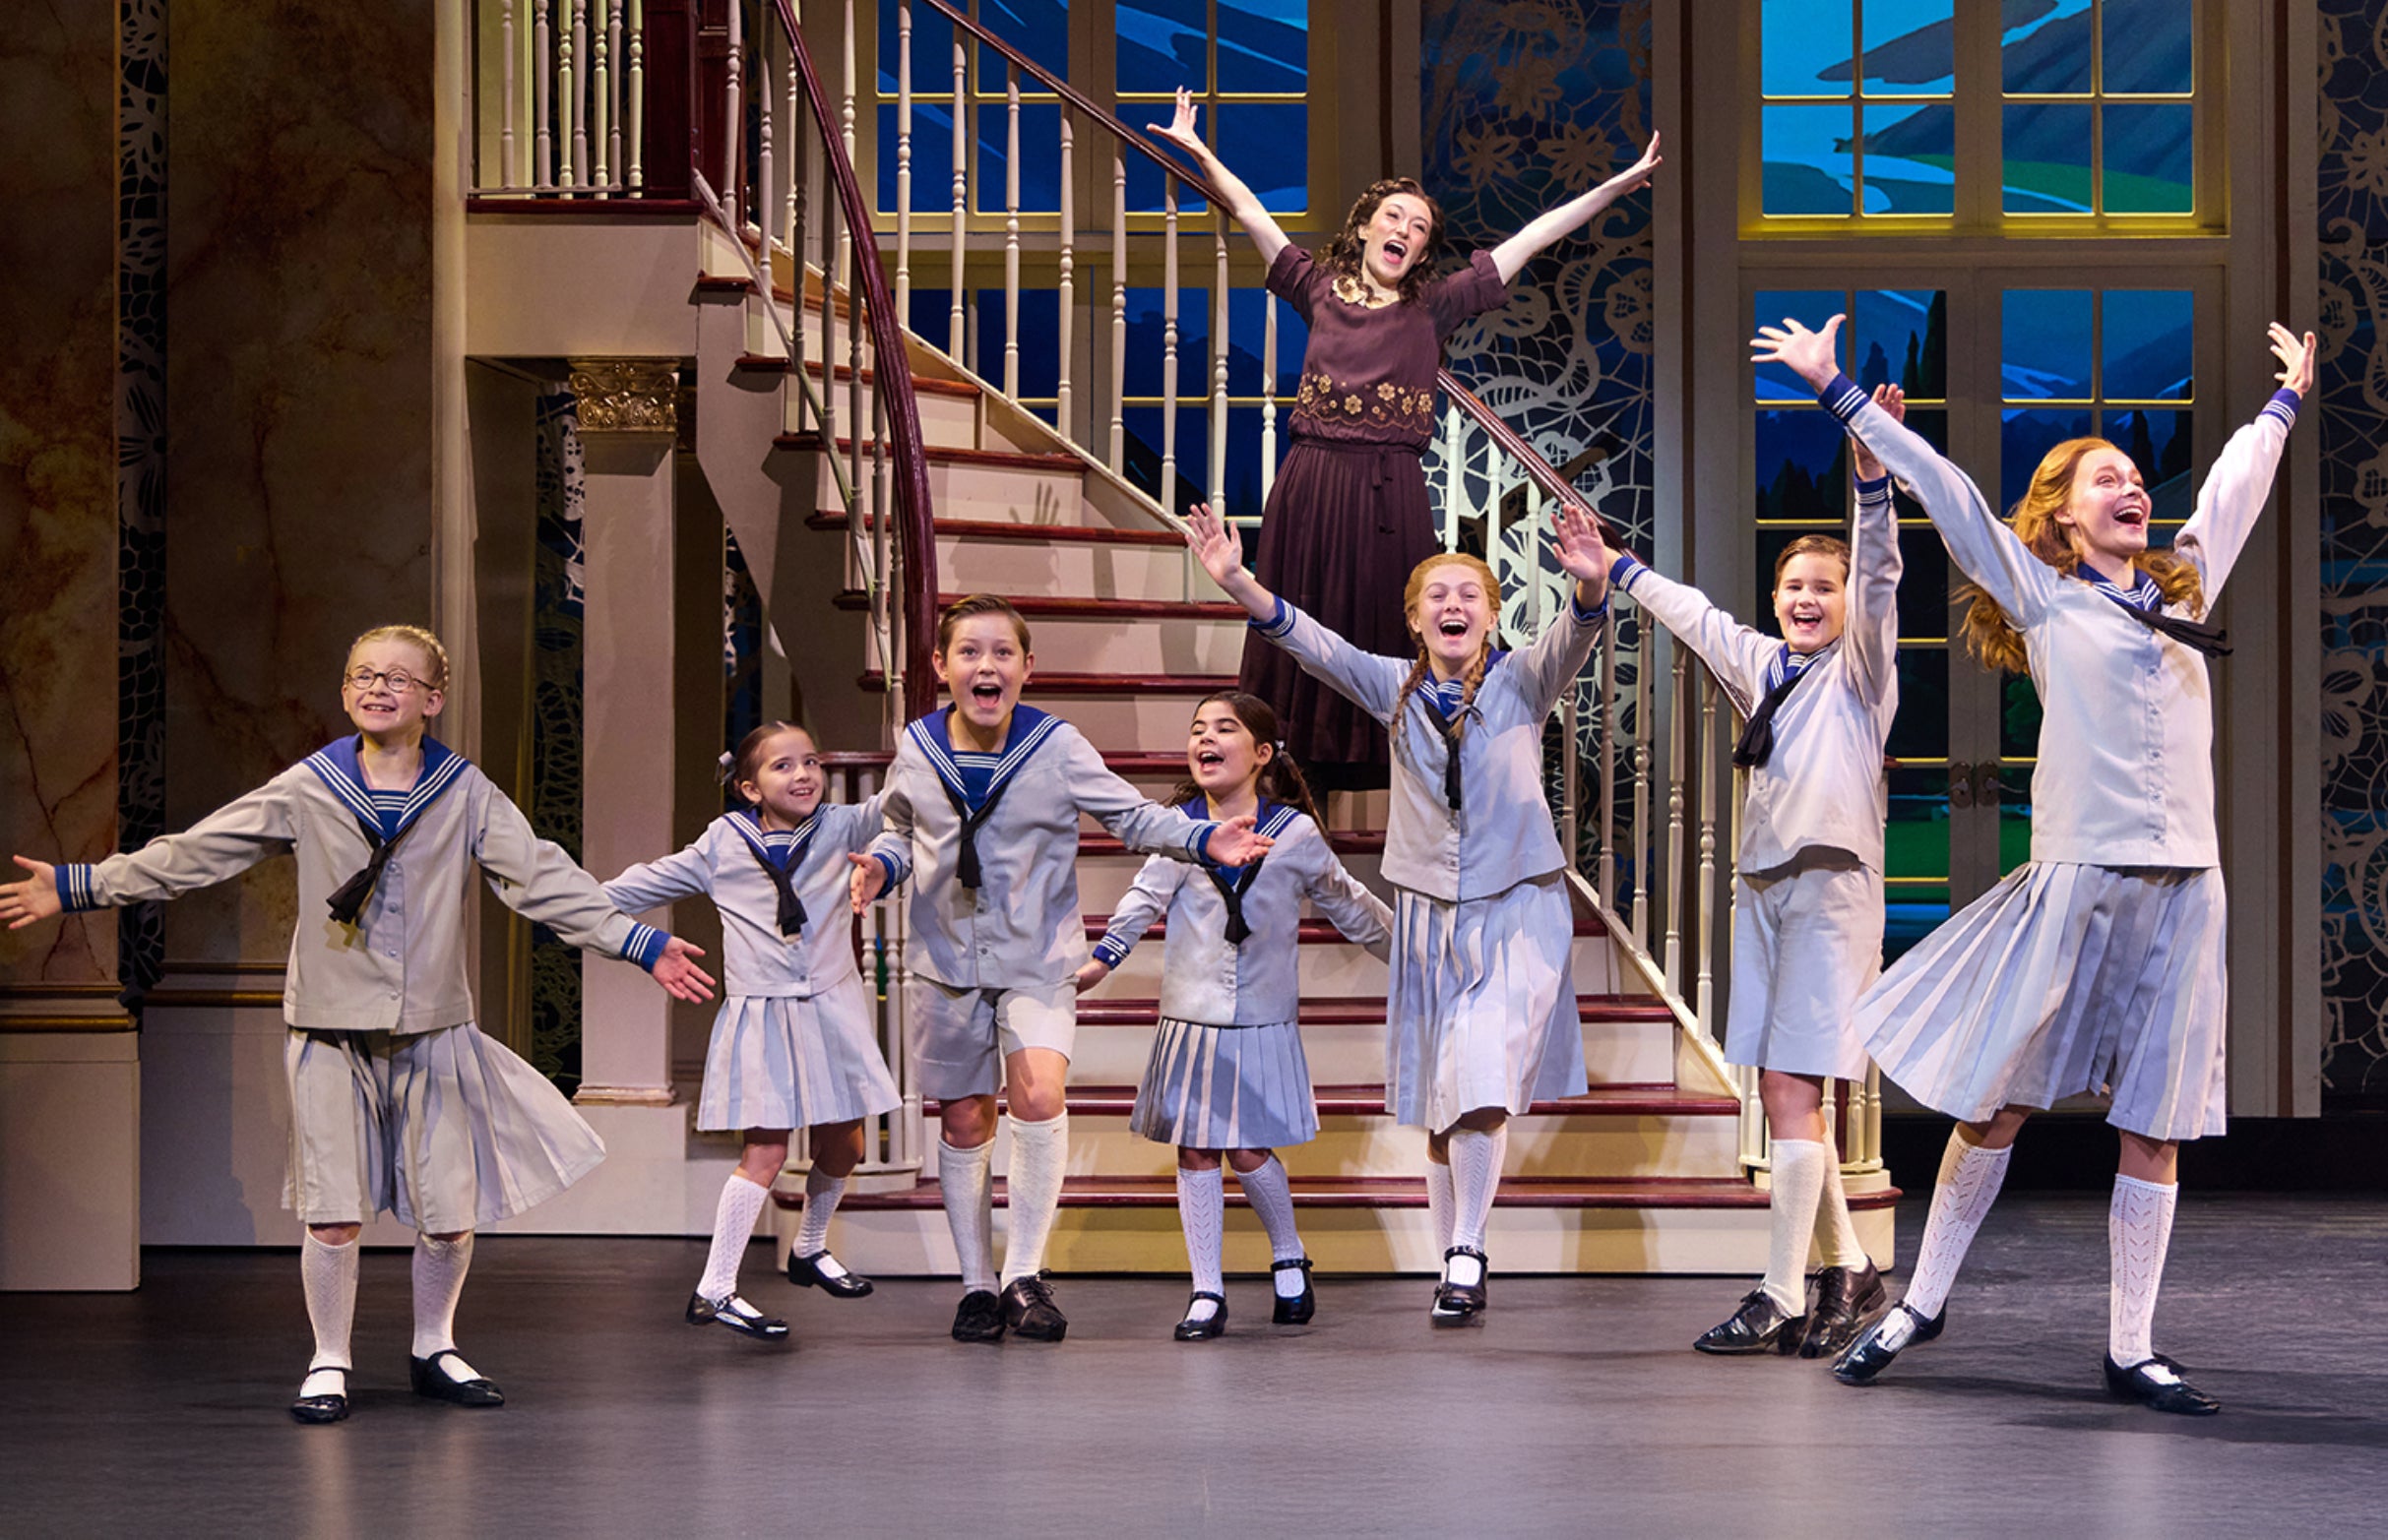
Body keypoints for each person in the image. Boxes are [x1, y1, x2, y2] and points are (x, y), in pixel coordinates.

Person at [1752, 314, 2315, 1415]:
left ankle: (2131, 1345)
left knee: (2155, 1122)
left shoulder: (2183, 586)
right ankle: (1919, 1302)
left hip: (2185, 885)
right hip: (2077, 881)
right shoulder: (2043, 591)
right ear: (2062, 513)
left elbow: (2236, 487)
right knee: (1999, 1103)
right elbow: (1951, 495)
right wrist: (1834, 390)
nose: (2131, 487)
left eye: (2135, 478)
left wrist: (2284, 400)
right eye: (2106, 479)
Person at [0, 624, 715, 1423]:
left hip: (433, 1030)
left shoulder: (464, 791)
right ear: (344, 692)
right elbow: (199, 851)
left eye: (399, 678)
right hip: (330, 1030)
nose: (379, 687)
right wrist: (82, 884)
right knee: (334, 1209)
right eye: (364, 675)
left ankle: (434, 1346)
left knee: (448, 1212)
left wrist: (638, 942)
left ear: (433, 699)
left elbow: (542, 878)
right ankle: (330, 1357)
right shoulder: (309, 786)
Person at [1148, 90, 1659, 788]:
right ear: (1364, 228)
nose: (1405, 231)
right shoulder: (1318, 288)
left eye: (1419, 228)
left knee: (1389, 626)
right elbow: (1250, 212)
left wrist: (1615, 186)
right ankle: (1284, 767)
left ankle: (1392, 767)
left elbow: (1534, 237)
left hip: (1390, 488)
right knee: (1299, 617)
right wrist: (1200, 150)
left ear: (1421, 250)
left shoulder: (1434, 305)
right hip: (1313, 481)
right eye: (1393, 217)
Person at [1188, 500, 1611, 1323]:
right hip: (1429, 913)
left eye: (1469, 594)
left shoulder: (1523, 678)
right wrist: (1238, 580)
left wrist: (1591, 588)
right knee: (1443, 1100)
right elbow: (1313, 644)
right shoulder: (1393, 687)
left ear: (1492, 615)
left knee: (1481, 1078)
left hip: (1517, 905)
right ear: (1415, 620)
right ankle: (1454, 1263)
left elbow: (1575, 634)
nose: (1454, 605)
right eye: (1437, 597)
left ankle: (1469, 1248)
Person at [848, 595, 1275, 1344]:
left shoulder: (1056, 745)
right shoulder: (917, 745)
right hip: (945, 960)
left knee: (1040, 1094)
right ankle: (977, 1285)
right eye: (970, 652)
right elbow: (900, 828)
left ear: (1027, 667)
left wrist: (1202, 839)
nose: (986, 666)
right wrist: (882, 868)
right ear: (942, 666)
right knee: (964, 1117)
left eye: (1002, 653)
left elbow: (1132, 817)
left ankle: (1023, 1274)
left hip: (1037, 955)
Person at [1606, 392, 1903, 1358]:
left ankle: (1781, 1289)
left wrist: (1869, 480)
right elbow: (1694, 616)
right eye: (1793, 585)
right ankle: (1849, 1268)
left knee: (1791, 1084)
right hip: (1764, 888)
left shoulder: (1860, 671)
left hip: (1830, 887)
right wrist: (1616, 567)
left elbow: (1882, 576)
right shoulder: (1767, 666)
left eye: (1824, 586)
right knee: (1782, 1095)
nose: (1807, 598)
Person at [1077, 691, 1393, 1339]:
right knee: (1196, 1148)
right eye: (1197, 728)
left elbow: (1349, 903)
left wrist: (1414, 954)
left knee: (1248, 1149)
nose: (1206, 738)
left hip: (1260, 1016)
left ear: (1262, 753)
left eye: (1224, 728)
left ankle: (1288, 1254)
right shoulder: (1180, 828)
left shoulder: (1293, 832)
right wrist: (1101, 960)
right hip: (1192, 1015)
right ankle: (1206, 1289)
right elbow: (1141, 900)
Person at [602, 721, 901, 1344]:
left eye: (811, 761)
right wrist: (567, 900)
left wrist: (921, 747)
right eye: (783, 766)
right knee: (765, 1153)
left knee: (847, 1145)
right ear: (749, 787)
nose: (804, 774)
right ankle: (715, 1289)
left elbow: (897, 804)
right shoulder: (722, 843)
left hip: (832, 1008)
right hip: (763, 1014)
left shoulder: (841, 827)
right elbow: (637, 885)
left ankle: (809, 1247)